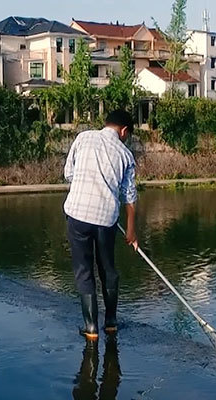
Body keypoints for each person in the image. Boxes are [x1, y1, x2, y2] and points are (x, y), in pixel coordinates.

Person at [64, 110, 138, 340]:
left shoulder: (83, 137)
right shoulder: (126, 155)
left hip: (77, 215)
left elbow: (69, 174)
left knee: (84, 271)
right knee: (108, 268)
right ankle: (111, 322)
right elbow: (129, 196)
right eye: (127, 134)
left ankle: (91, 328)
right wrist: (132, 231)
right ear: (124, 131)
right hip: (106, 219)